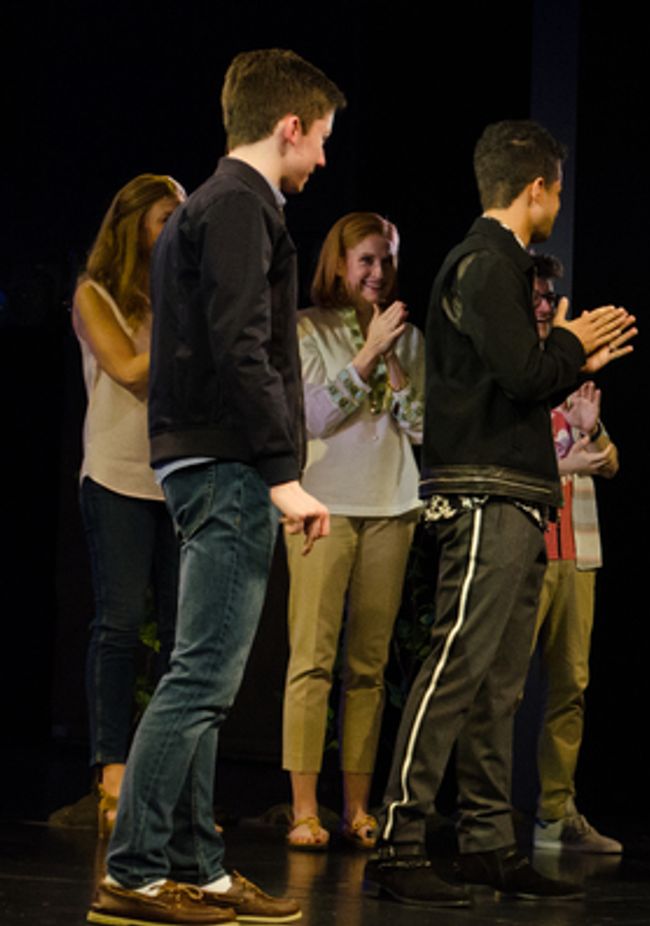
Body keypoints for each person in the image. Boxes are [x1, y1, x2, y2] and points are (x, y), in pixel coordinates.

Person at [90, 48, 342, 926]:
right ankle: (136, 869)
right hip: (228, 464)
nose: (322, 160)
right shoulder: (240, 206)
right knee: (200, 676)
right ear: (290, 127)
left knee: (203, 676)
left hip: (205, 459)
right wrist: (283, 476)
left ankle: (196, 861)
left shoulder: (215, 205)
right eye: (321, 141)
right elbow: (243, 346)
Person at [365, 120, 636, 907]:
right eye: (557, 189)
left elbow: (521, 375)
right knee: (456, 660)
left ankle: (487, 839)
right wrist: (574, 345)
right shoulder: (487, 263)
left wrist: (568, 353)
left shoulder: (499, 265)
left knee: (498, 682)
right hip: (484, 491)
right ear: (537, 189)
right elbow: (523, 374)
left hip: (518, 491)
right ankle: (399, 838)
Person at [281, 212, 424, 851]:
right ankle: (304, 809)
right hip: (321, 505)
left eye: (386, 260)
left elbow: (422, 429)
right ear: (340, 263)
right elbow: (310, 417)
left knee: (367, 665)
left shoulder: (410, 337)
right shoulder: (307, 330)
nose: (377, 272)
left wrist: (393, 363)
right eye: (366, 260)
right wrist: (366, 355)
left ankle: (357, 808)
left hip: (392, 503)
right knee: (312, 659)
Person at [74, 173, 185, 838]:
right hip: (116, 476)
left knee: (182, 641)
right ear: (135, 222)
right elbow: (127, 368)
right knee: (118, 626)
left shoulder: (181, 293)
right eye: (166, 218)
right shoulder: (95, 295)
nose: (176, 229)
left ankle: (165, 783)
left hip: (177, 478)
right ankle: (111, 772)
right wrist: (192, 333)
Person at [527, 253, 623, 855]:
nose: (543, 306)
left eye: (548, 296)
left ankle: (556, 814)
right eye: (534, 296)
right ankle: (470, 815)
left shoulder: (571, 374)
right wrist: (564, 461)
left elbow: (610, 462)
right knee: (499, 688)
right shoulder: (514, 371)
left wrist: (591, 432)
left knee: (571, 687)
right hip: (525, 548)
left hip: (577, 549)